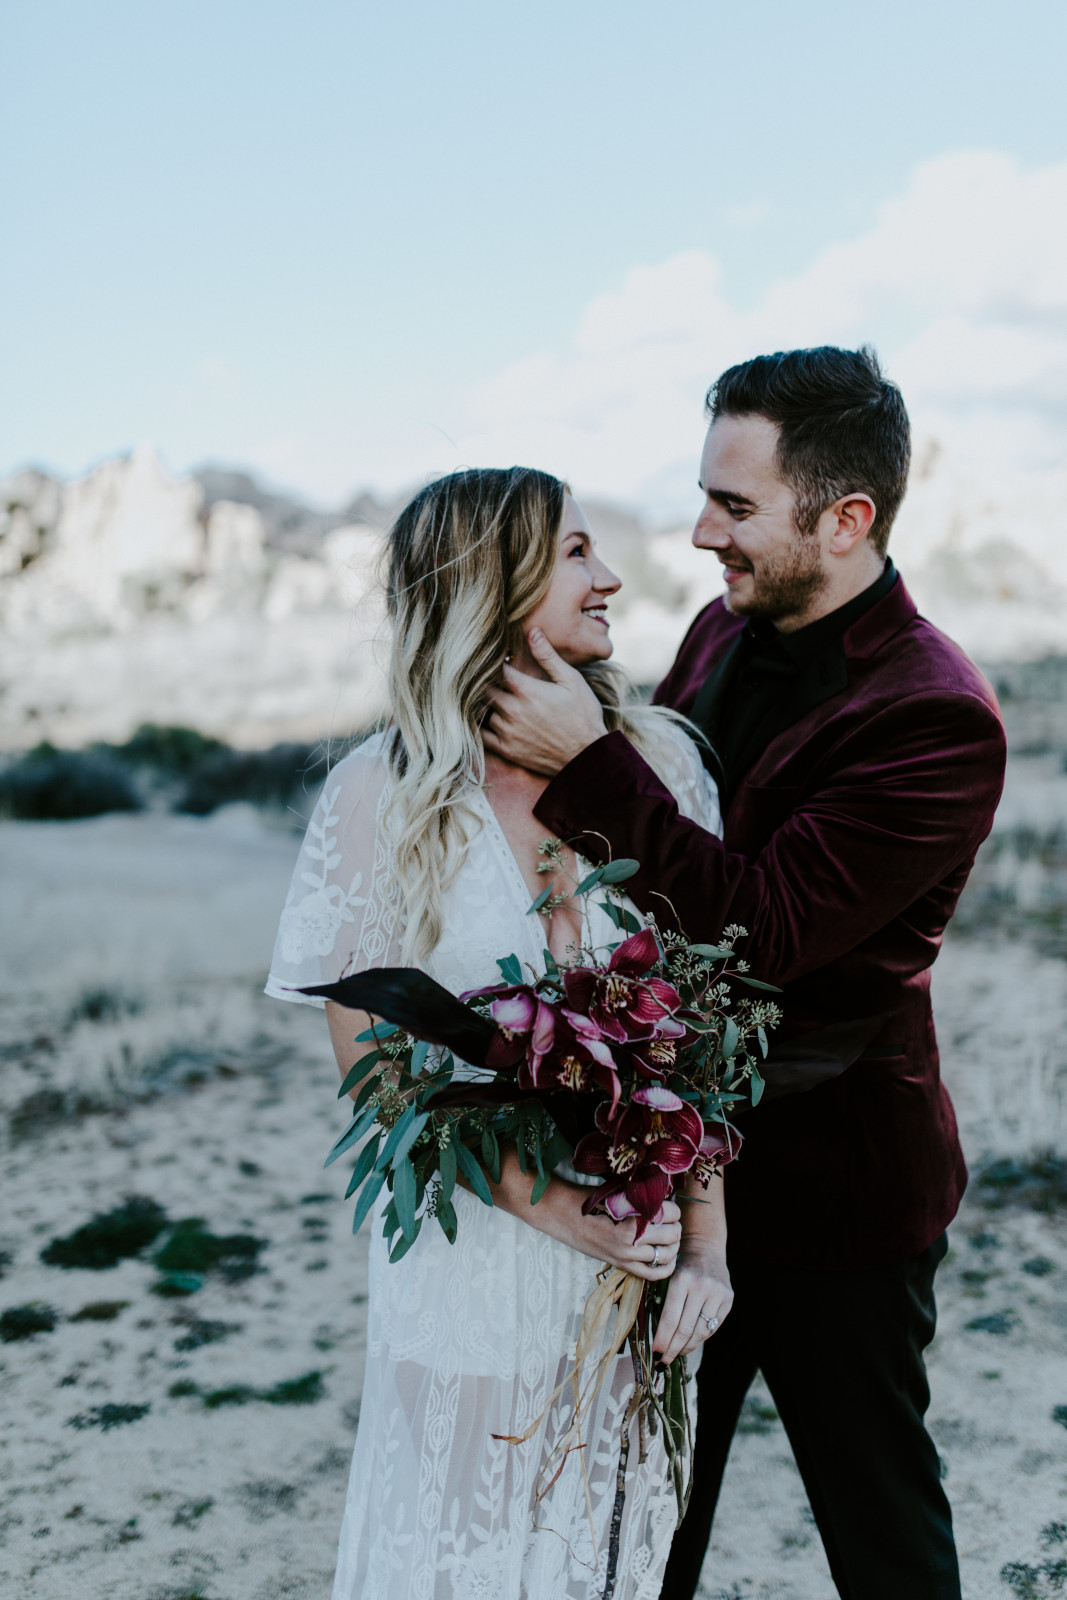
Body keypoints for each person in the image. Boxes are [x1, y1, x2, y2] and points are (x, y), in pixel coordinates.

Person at [482, 348, 1008, 1600]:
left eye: (734, 506)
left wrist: (582, 762)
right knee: (645, 1513)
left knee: (878, 1523)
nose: (700, 532)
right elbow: (652, 867)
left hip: (837, 1192)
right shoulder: (722, 630)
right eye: (705, 494)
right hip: (666, 1167)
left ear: (843, 520)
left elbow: (759, 930)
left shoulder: (936, 716)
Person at [266, 467, 732, 1600]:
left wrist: (708, 1245)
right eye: (575, 552)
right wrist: (559, 1209)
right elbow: (379, 1080)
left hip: (629, 1278)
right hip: (471, 1259)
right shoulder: (379, 796)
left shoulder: (660, 763)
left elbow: (701, 1026)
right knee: (458, 1557)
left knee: (603, 1560)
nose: (610, 574)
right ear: (488, 583)